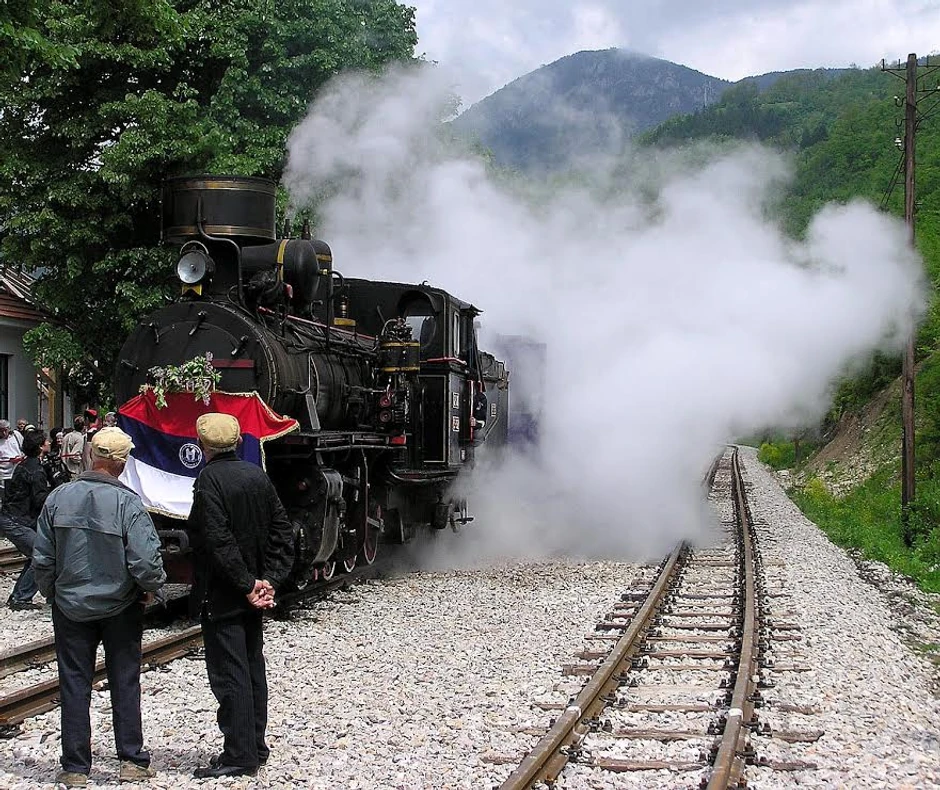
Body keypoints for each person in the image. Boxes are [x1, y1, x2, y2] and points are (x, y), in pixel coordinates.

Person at [33, 427, 166, 788]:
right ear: (121, 463)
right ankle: (131, 760)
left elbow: (42, 558)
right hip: (120, 607)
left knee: (74, 683)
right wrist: (150, 589)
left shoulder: (58, 497)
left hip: (70, 606)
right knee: (125, 680)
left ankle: (76, 767)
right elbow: (146, 562)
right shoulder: (128, 503)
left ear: (92, 454)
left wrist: (53, 594)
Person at [188, 413, 294, 779]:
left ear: (203, 445)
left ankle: (239, 754)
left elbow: (217, 541)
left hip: (225, 592)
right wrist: (270, 581)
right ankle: (256, 744)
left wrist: (246, 585)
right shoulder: (256, 474)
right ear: (236, 443)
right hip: (253, 592)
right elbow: (282, 530)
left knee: (229, 672)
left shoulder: (208, 480)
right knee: (252, 668)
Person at [0, 430, 49, 610]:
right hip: (16, 520)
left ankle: (19, 595)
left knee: (37, 554)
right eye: (46, 441)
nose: (49, 443)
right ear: (40, 446)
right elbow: (40, 499)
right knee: (41, 554)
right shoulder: (36, 470)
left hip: (14, 517)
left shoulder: (24, 465)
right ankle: (21, 597)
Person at [0, 419, 23, 496]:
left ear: (9, 428)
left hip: (17, 471)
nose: (3, 433)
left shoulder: (16, 435)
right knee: (4, 496)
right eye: (1, 431)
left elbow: (24, 448)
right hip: (3, 474)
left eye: (5, 430)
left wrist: (20, 457)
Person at [62, 415, 85, 479]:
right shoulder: (80, 439)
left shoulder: (67, 436)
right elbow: (74, 456)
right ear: (83, 426)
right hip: (73, 470)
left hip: (64, 469)